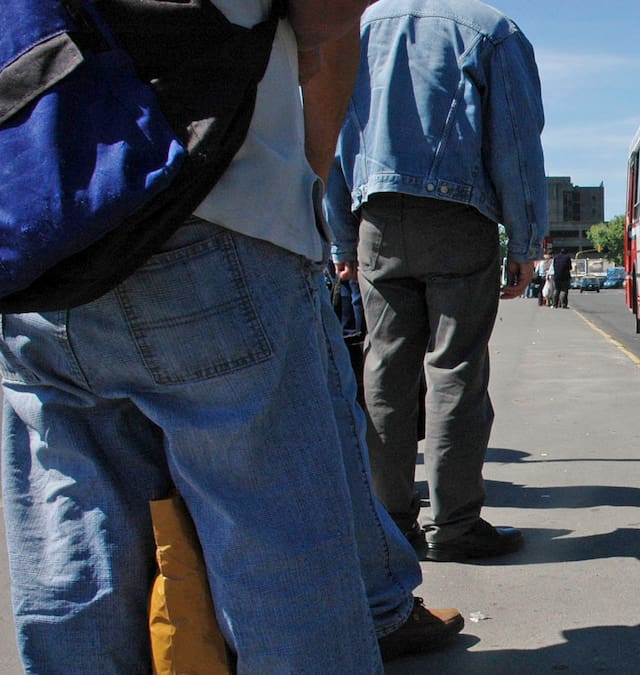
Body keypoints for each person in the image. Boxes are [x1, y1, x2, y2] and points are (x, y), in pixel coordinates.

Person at [0, 1, 461, 671]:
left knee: (77, 579)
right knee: (284, 581)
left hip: (36, 221)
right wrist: (302, 173)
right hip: (209, 200)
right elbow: (329, 12)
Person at [326, 0, 548, 562]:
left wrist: (340, 234)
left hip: (375, 217)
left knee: (385, 373)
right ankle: (455, 527)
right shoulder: (491, 30)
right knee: (455, 370)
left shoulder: (356, 25)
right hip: (457, 218)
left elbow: (330, 133)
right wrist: (524, 242)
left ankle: (391, 527)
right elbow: (517, 145)